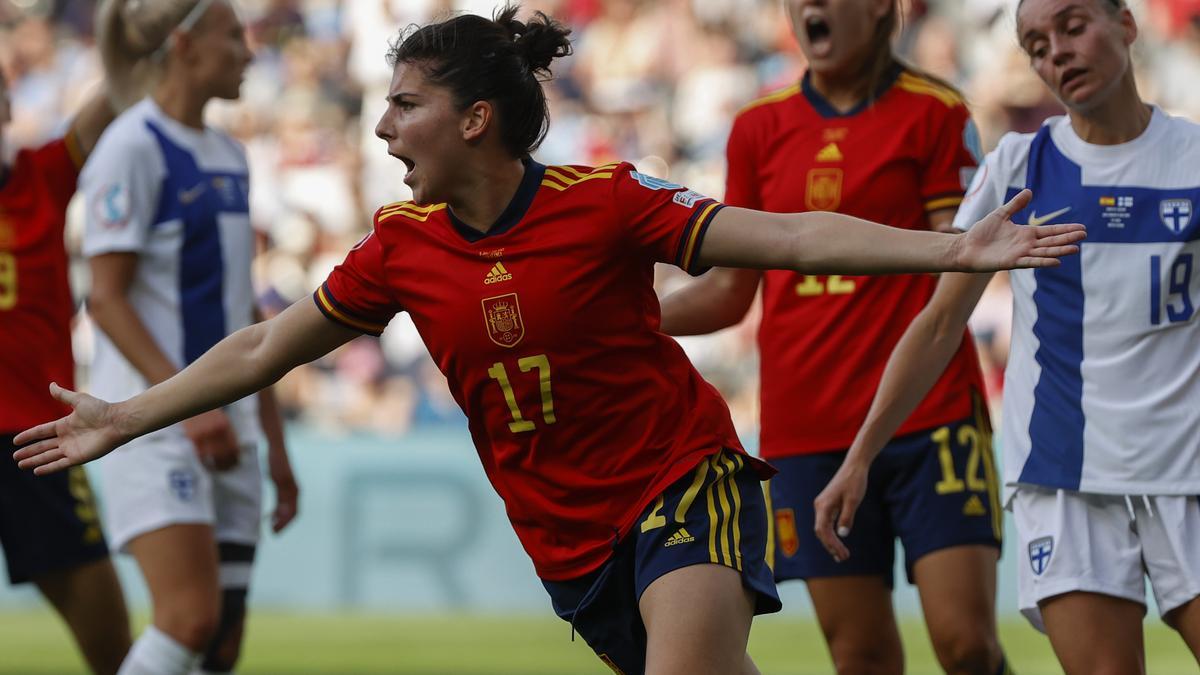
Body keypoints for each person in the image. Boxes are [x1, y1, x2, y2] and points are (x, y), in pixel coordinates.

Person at [14, 6, 1082, 675]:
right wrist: (127, 415)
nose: (381, 128)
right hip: (565, 536)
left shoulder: (607, 201)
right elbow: (262, 350)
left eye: (404, 106)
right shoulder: (399, 247)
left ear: (475, 119)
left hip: (682, 483)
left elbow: (789, 233)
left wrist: (954, 253)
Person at [811, 0, 1200, 673]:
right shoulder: (1019, 168)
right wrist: (860, 454)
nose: (1057, 53)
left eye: (1074, 28)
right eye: (1036, 44)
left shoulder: (1193, 158)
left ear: (1128, 25)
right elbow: (937, 324)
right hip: (1065, 476)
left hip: (1189, 467)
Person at [658, 1, 1010, 673]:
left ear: (879, 6)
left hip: (928, 414)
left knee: (966, 643)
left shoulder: (936, 112)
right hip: (808, 427)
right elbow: (732, 294)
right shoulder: (758, 127)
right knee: (861, 654)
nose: (808, 8)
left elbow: (958, 262)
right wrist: (633, 315)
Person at [75, 1, 299, 673]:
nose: (249, 53)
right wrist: (192, 404)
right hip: (154, 421)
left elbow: (245, 317)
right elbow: (105, 299)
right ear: (184, 44)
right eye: (234, 37)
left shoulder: (230, 154)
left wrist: (276, 444)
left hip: (232, 422)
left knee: (221, 638)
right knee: (188, 616)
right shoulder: (130, 146)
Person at [0, 42, 132, 675]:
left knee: (113, 646)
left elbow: (113, 95)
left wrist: (131, 38)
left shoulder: (42, 173)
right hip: (36, 432)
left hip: (37, 435)